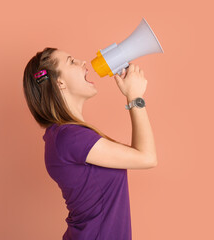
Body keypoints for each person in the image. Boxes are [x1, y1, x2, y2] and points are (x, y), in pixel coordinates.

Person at [23, 47, 157, 240]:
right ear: (59, 82)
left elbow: (140, 155)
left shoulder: (63, 135)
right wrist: (135, 97)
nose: (82, 62)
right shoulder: (70, 137)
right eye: (71, 61)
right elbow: (147, 157)